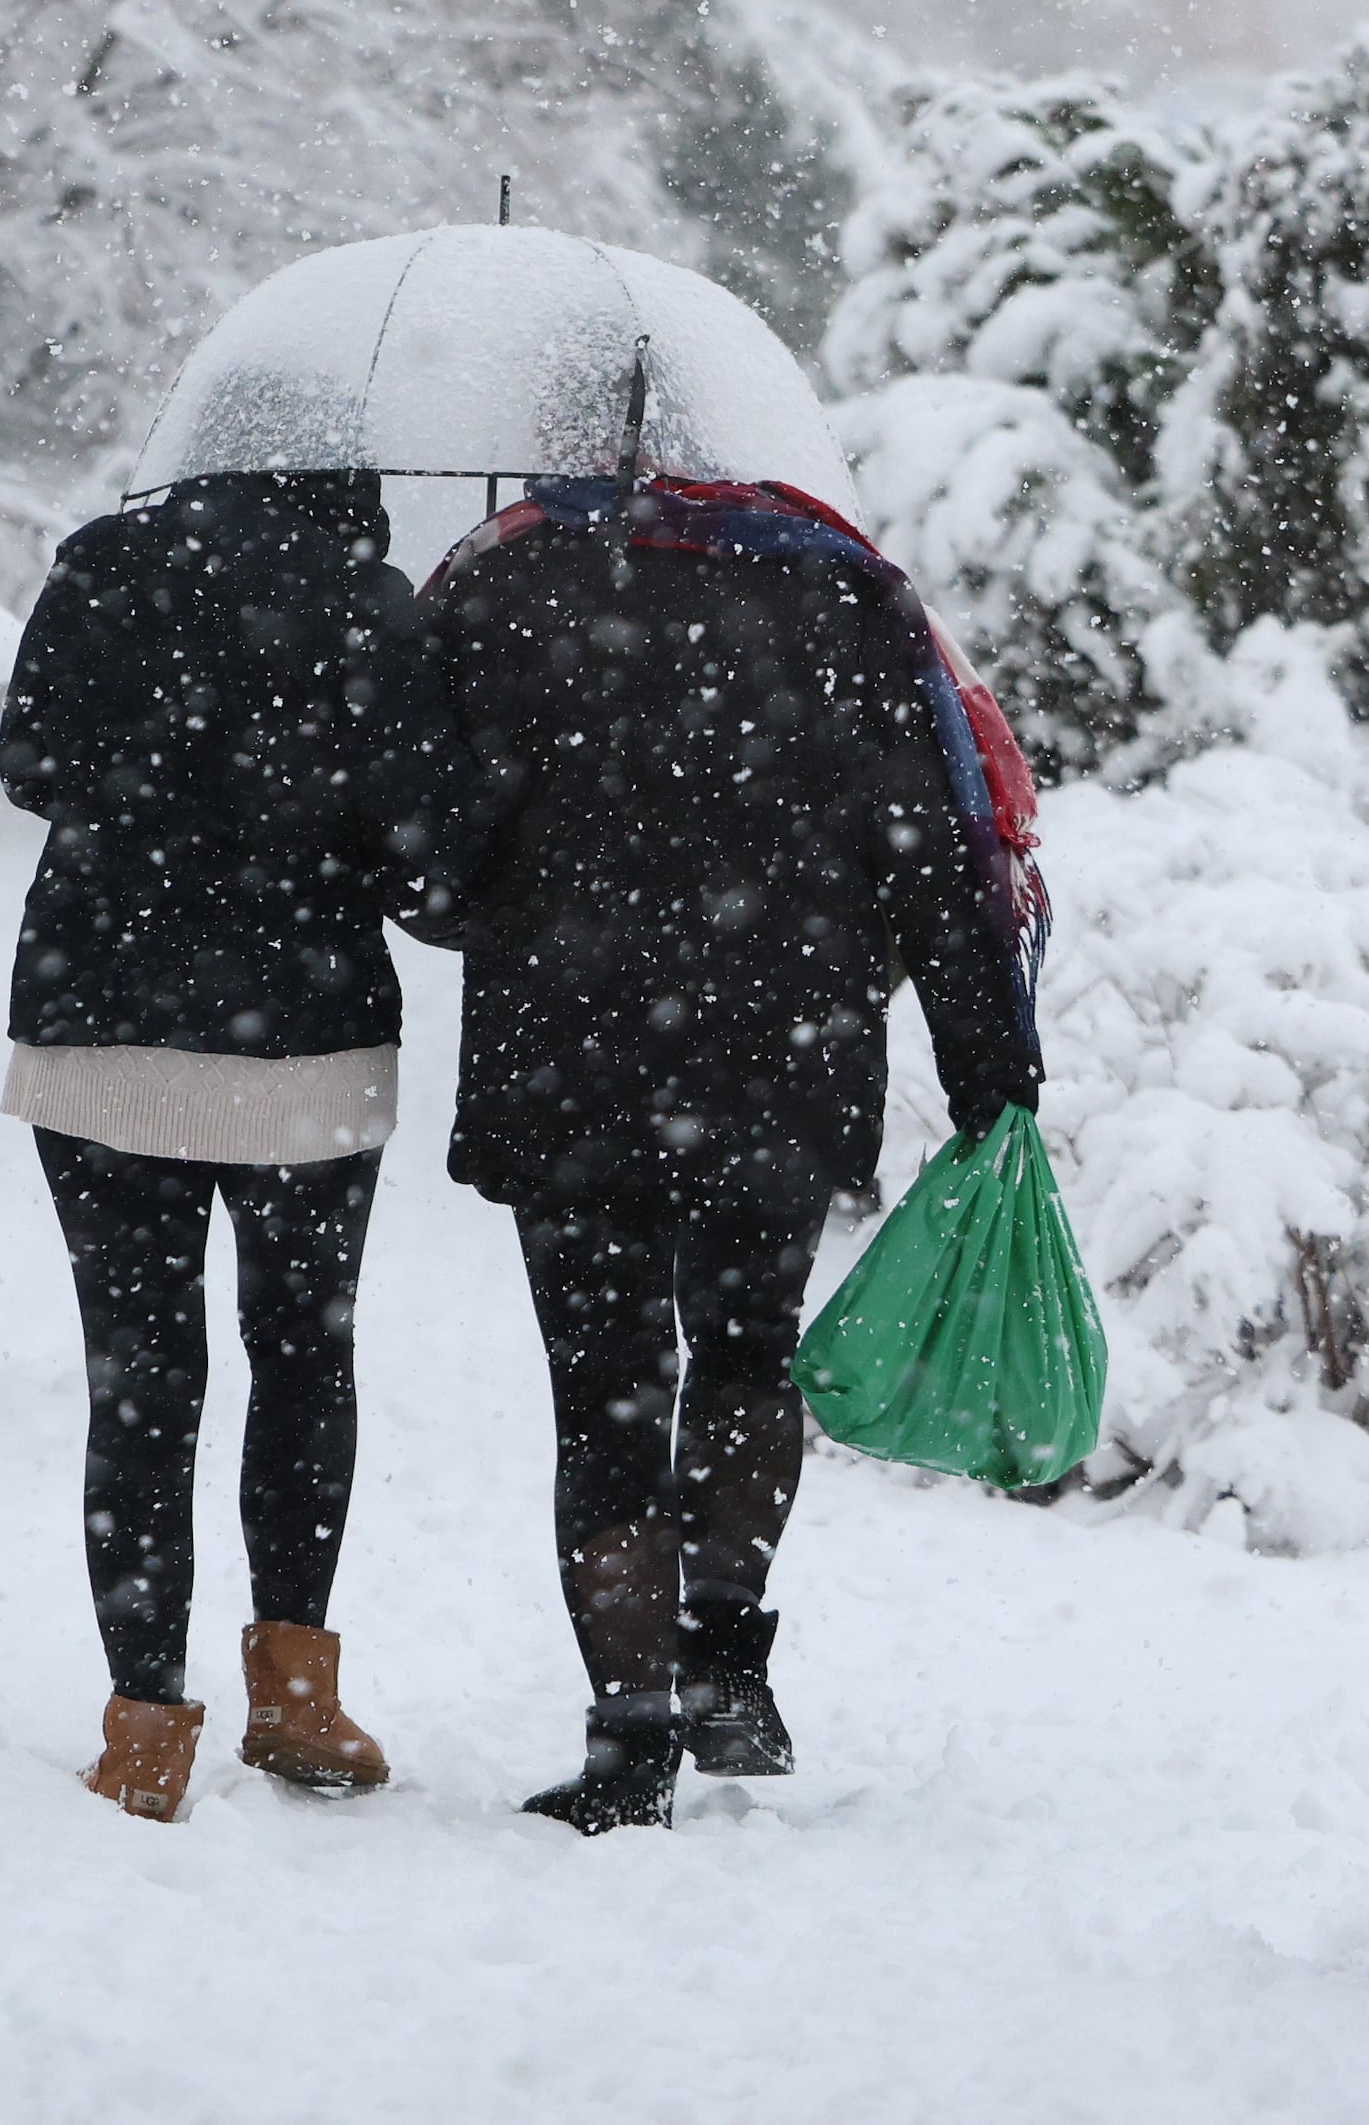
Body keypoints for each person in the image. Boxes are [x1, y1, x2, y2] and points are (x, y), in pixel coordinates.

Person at [418, 472, 1044, 1833]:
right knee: (747, 1349)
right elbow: (930, 839)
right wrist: (991, 1056)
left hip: (569, 1054)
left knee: (604, 1392)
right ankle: (729, 1655)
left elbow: (429, 869)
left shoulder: (505, 581)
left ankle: (628, 1735)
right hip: (783, 1046)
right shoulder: (837, 585)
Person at [0, 448, 463, 1824]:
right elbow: (421, 837)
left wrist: (164, 795)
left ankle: (144, 1727)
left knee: (141, 1376)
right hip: (305, 1039)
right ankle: (297, 1692)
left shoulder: (101, 564)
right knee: (303, 1353)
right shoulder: (370, 604)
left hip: (102, 1025)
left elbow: (32, 764)